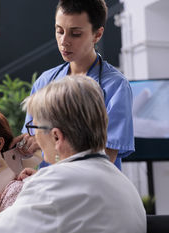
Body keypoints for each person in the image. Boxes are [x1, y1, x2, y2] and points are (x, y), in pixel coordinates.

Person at [0, 75, 146, 233]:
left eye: (35, 127)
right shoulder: (121, 182)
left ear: (56, 136)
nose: (34, 137)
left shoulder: (56, 184)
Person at [17, 0, 134, 170]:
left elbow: (106, 156)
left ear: (97, 34)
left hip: (91, 186)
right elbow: (32, 141)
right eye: (59, 31)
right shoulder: (44, 81)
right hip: (49, 186)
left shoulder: (115, 86)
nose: (64, 41)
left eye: (75, 33)